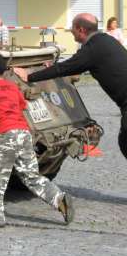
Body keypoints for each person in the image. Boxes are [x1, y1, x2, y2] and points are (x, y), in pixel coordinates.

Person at [0, 53, 74, 228]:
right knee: (31, 176)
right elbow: (22, 105)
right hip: (23, 133)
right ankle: (59, 198)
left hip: (5, 135)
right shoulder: (13, 87)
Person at [14, 13, 127, 160]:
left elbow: (66, 68)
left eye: (72, 28)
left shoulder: (93, 49)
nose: (70, 30)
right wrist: (54, 66)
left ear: (80, 30)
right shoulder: (105, 40)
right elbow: (73, 63)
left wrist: (29, 75)